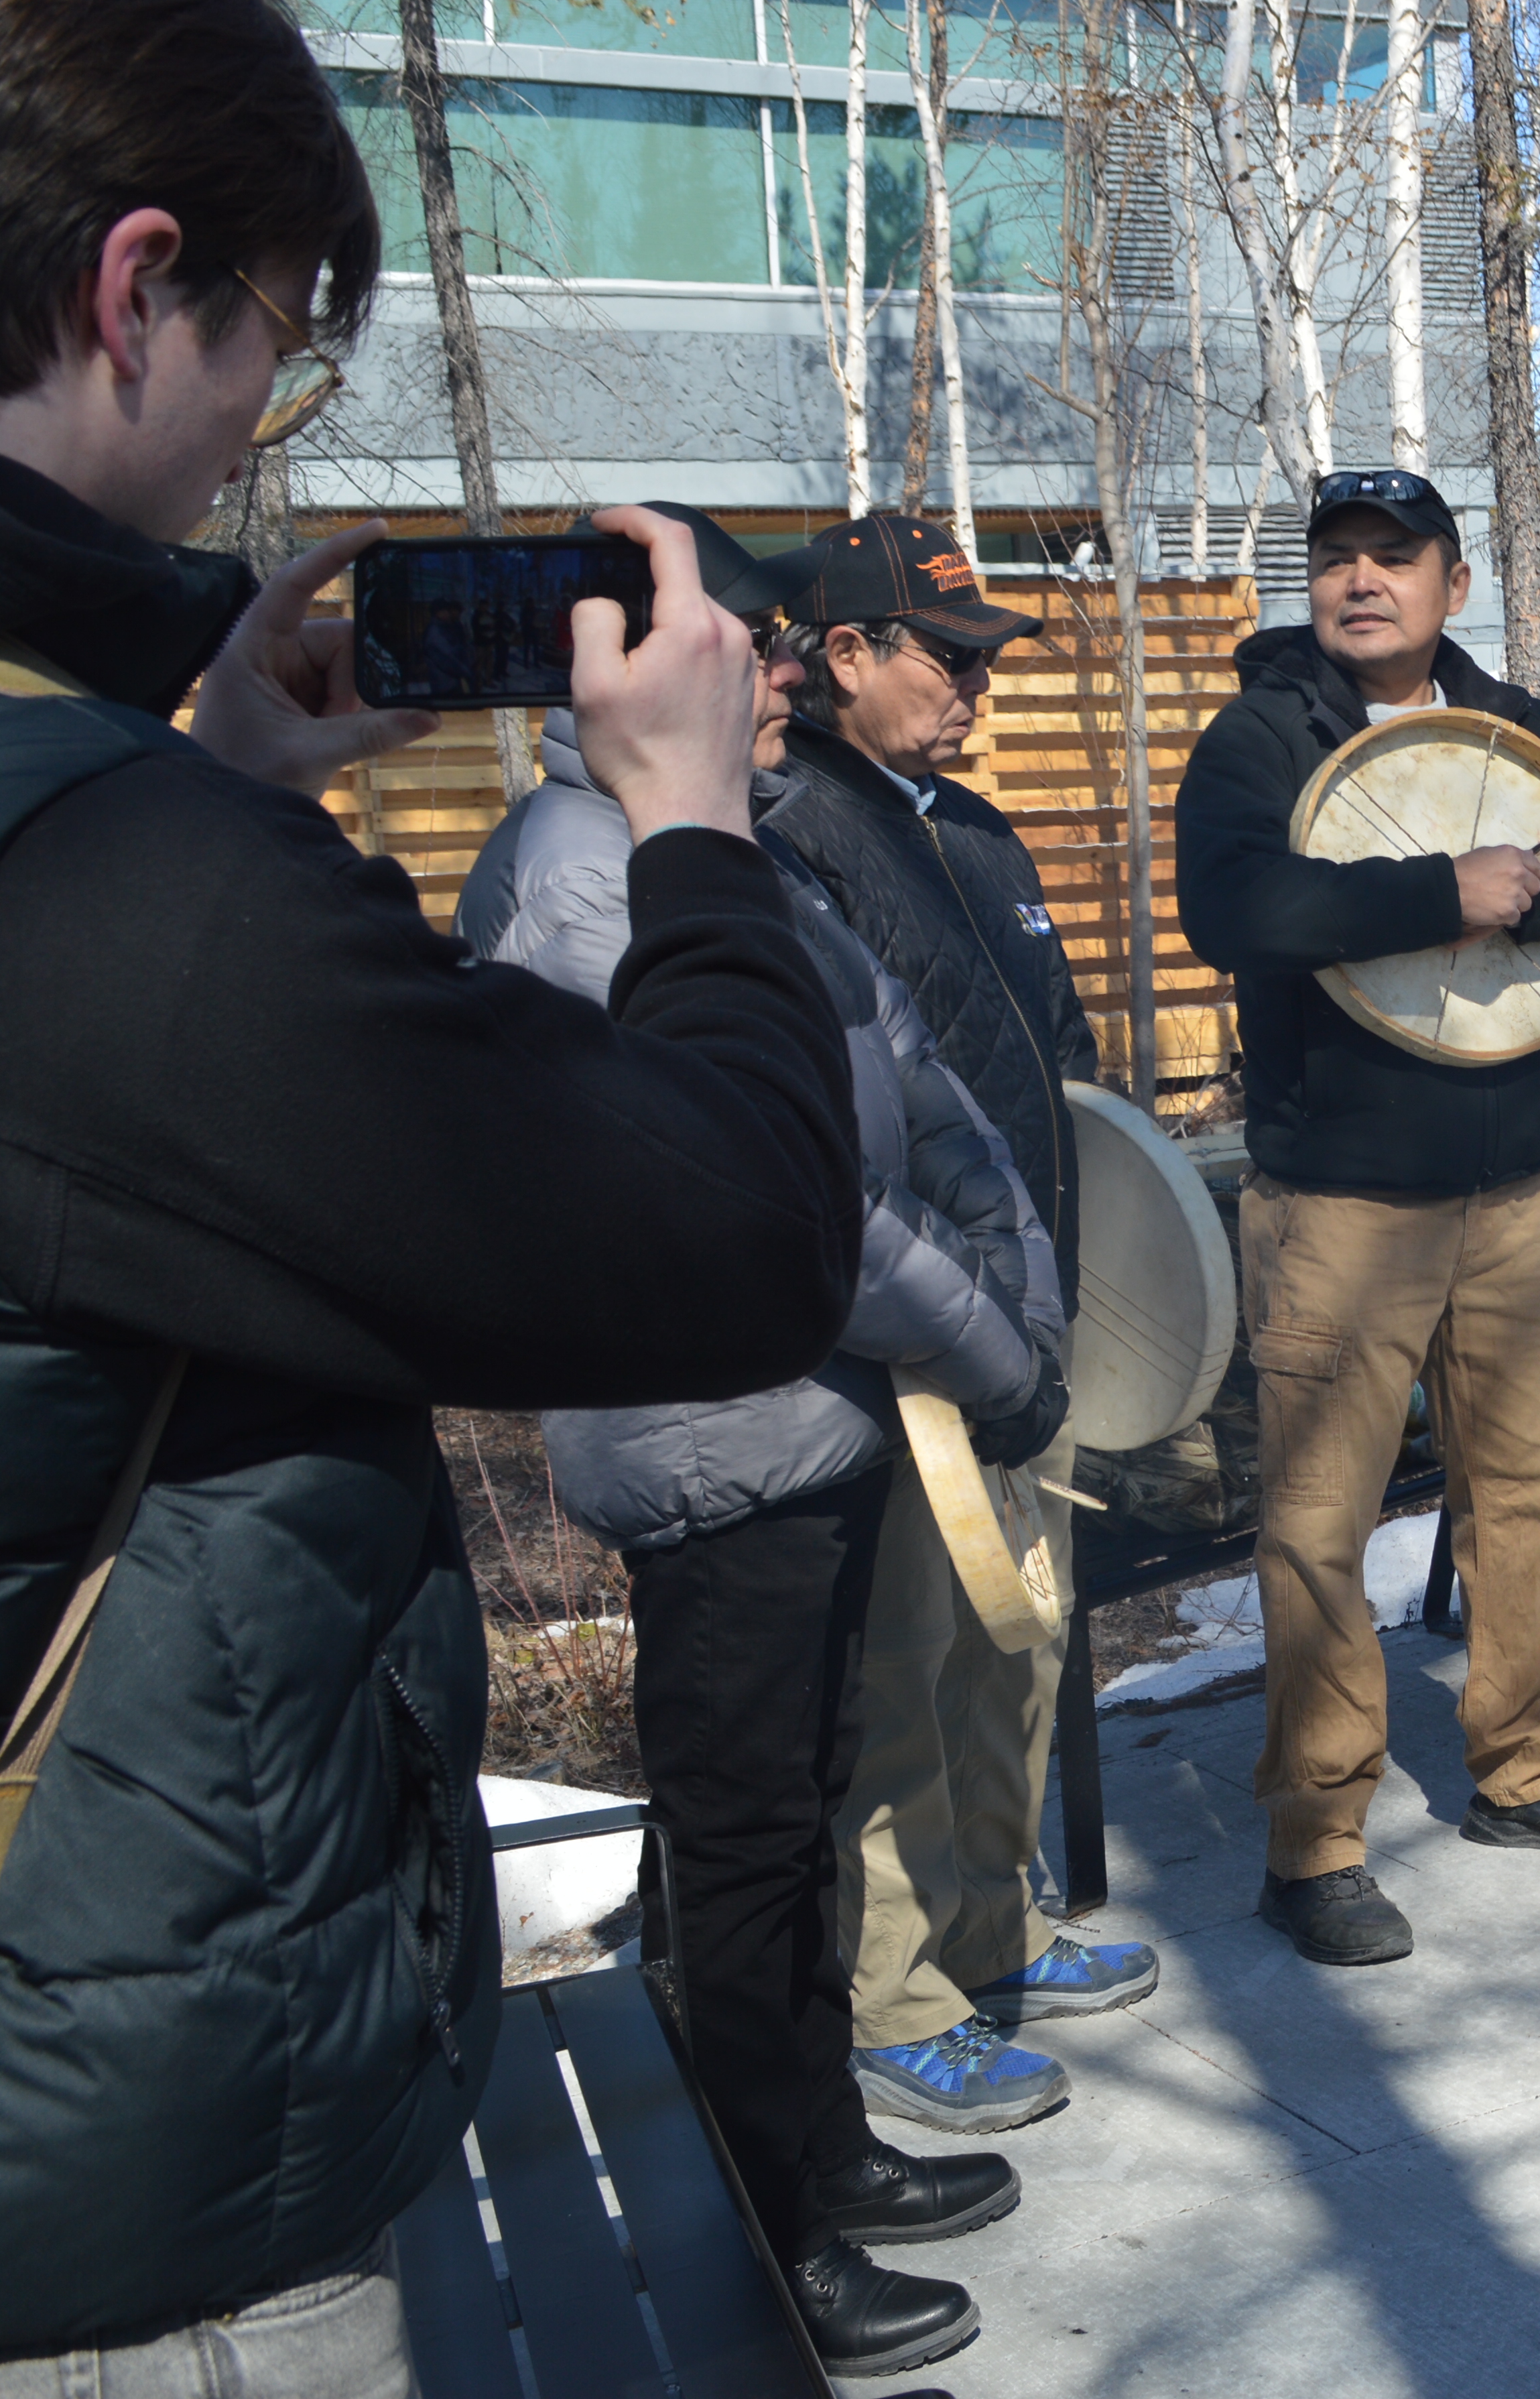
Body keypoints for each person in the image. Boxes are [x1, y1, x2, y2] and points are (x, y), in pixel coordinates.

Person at [0, 0, 860, 2378]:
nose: (245, 437)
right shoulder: (90, 884)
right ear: (127, 286)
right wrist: (693, 822)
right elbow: (731, 1234)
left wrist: (195, 779)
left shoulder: (9, 808)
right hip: (95, 2175)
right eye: (271, 356)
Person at [455, 508, 1065, 2376]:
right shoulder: (581, 874)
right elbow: (764, 1185)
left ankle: (821, 2141)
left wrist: (1012, 1267)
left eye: (785, 641)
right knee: (739, 1847)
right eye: (755, 638)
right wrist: (985, 1340)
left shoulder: (720, 850)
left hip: (817, 1414)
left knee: (795, 1824)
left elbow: (917, 1082)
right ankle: (766, 2230)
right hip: (713, 1435)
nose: (785, 666)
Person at [1175, 467, 1540, 1963]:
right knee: (1320, 1524)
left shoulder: (1511, 729)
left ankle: (1526, 1766)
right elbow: (1231, 908)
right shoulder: (1261, 736)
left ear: (1451, 581)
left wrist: (1520, 892)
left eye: (1393, 558)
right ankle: (1317, 1837)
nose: (1362, 581)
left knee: (1529, 1494)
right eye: (1336, 558)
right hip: (1337, 1201)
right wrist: (1436, 889)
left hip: (1510, 1187)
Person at [759, 513, 1148, 2136]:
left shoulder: (975, 834)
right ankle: (899, 1994)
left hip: (1028, 1319)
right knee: (908, 1664)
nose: (978, 688)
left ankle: (997, 1925)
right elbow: (852, 1125)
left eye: (988, 659)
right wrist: (952, 1305)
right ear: (842, 653)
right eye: (949, 655)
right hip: (910, 1340)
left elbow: (1048, 1073)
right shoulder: (795, 835)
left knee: (1023, 1639)